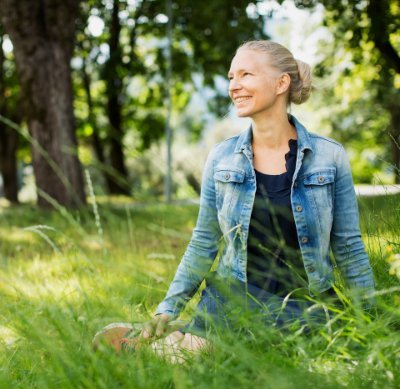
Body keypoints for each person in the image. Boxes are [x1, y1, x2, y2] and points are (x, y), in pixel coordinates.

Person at [93, 40, 376, 360]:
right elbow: (204, 241)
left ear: (281, 83)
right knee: (231, 336)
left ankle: (177, 341)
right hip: (234, 297)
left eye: (245, 75)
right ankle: (183, 341)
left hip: (305, 303)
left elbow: (348, 247)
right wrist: (168, 308)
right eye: (231, 77)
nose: (234, 86)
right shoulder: (223, 158)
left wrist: (368, 317)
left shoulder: (329, 156)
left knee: (302, 333)